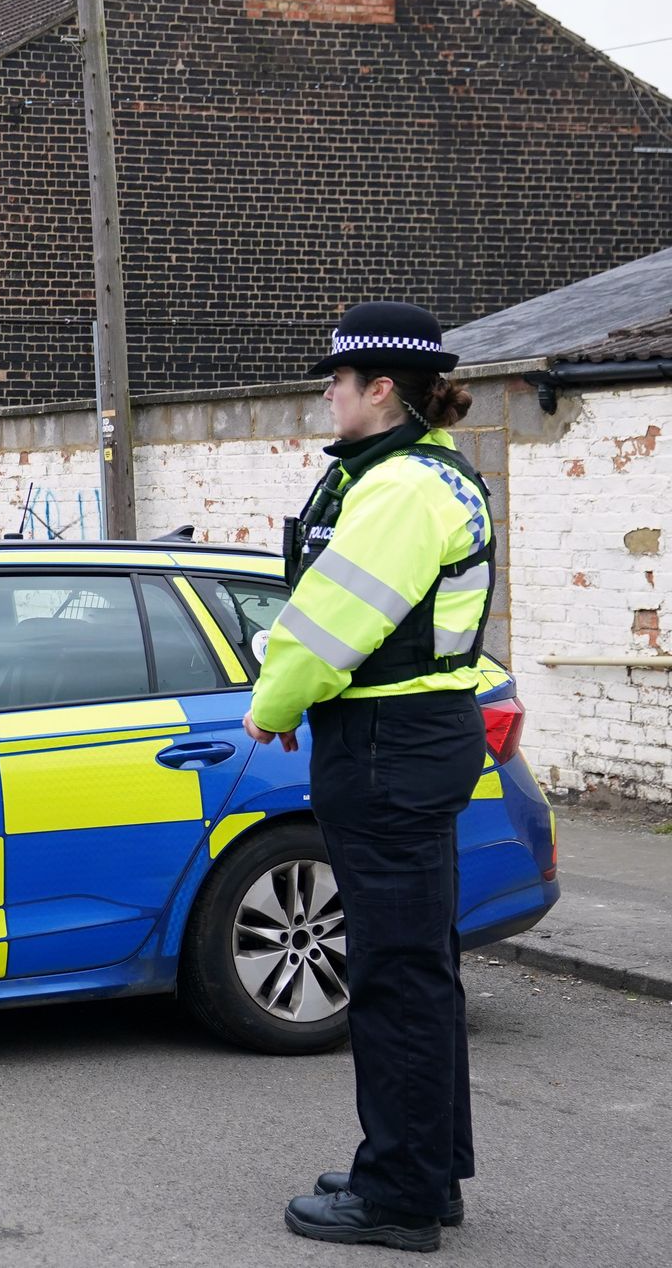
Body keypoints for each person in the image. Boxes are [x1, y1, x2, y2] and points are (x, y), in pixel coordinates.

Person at [246, 302, 495, 1254]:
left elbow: (332, 623)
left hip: (387, 744)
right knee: (419, 969)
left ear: (381, 387)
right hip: (415, 737)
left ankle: (398, 1194)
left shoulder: (397, 489)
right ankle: (425, 1172)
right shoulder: (432, 474)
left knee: (393, 978)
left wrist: (274, 703)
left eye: (337, 381)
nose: (327, 395)